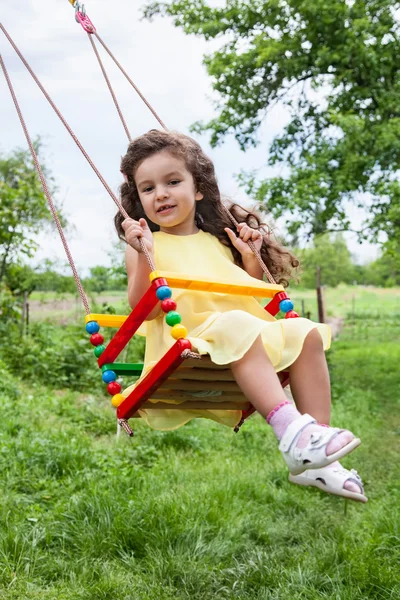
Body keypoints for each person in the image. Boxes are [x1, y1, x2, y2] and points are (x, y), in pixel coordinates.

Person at [115, 129, 367, 503]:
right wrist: (145, 252)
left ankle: (317, 457)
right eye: (147, 189)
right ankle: (290, 429)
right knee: (238, 325)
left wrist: (250, 259)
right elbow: (144, 310)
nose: (161, 193)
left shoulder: (220, 240)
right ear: (138, 200)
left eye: (172, 181)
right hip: (188, 341)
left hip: (239, 335)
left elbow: (246, 295)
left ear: (198, 188)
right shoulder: (144, 245)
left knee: (306, 331)